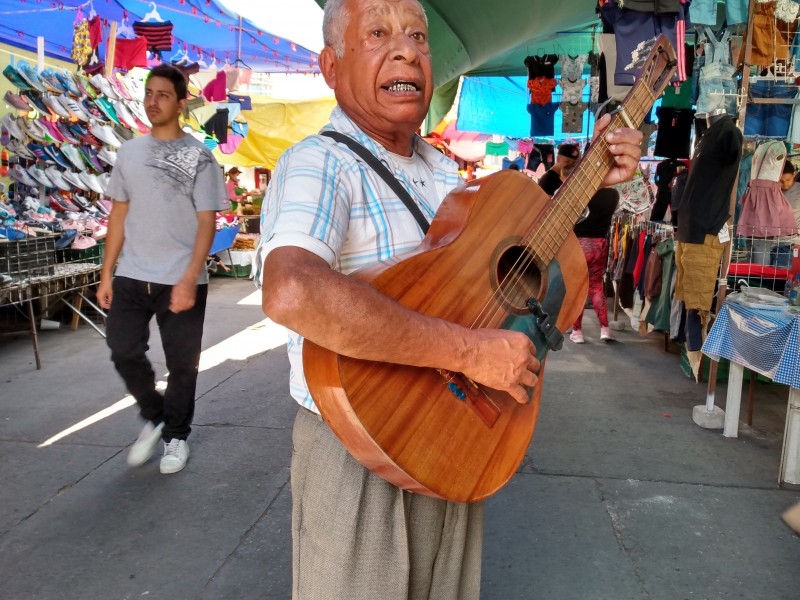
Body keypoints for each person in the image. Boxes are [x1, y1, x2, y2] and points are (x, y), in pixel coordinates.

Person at [256, 0, 642, 597]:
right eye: (378, 33)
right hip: (357, 447)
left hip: (454, 438)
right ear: (331, 67)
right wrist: (469, 352)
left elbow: (509, 259)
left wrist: (590, 178)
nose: (407, 48)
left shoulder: (440, 171)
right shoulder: (319, 162)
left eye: (417, 35)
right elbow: (292, 290)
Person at [97, 64, 229, 475]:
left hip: (181, 276)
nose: (153, 101)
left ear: (181, 101)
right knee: (123, 351)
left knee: (182, 364)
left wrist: (190, 277)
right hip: (133, 273)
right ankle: (155, 417)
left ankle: (175, 436)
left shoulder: (199, 157)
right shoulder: (130, 152)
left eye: (163, 95)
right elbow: (118, 215)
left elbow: (207, 221)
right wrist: (106, 273)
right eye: (149, 93)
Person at [569, 188, 620, 344]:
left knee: (578, 288)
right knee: (596, 286)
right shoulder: (613, 194)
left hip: (579, 244)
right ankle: (605, 329)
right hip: (600, 244)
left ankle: (577, 332)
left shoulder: (580, 191)